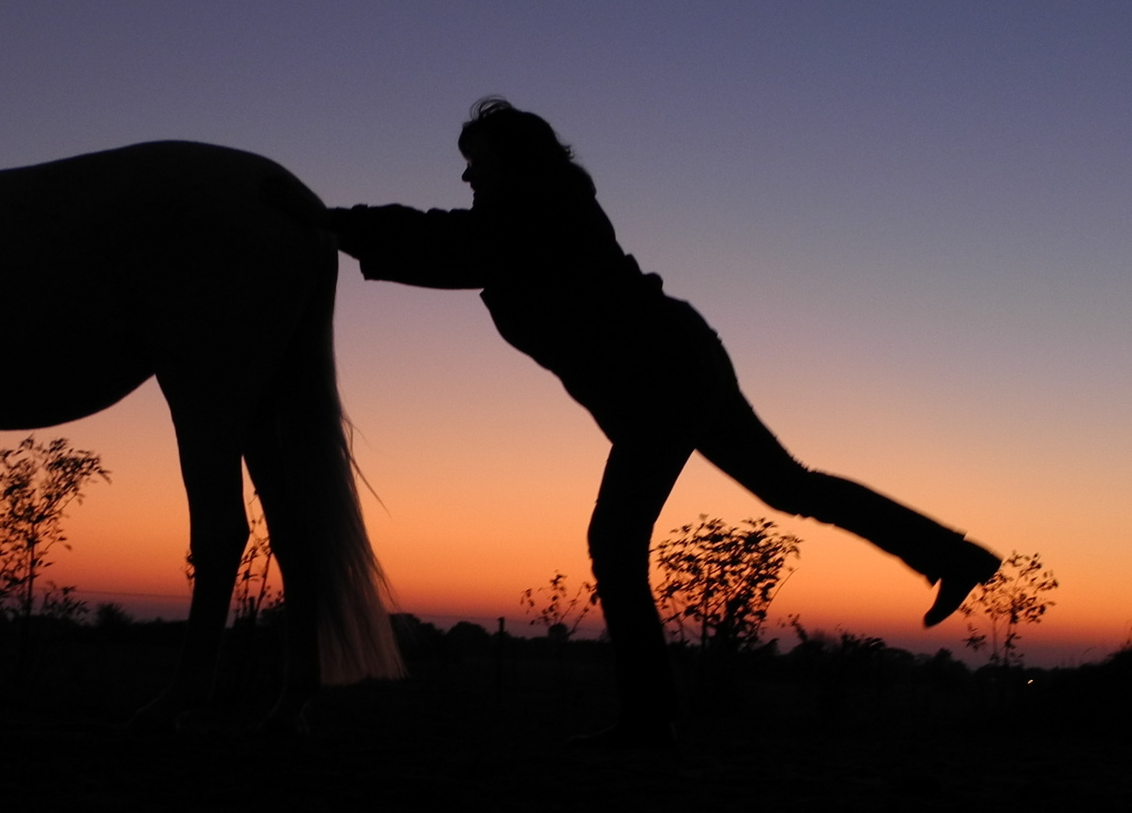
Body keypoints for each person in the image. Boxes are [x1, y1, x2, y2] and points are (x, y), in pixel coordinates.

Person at [330, 99, 999, 749]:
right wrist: (343, 229)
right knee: (787, 488)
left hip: (663, 379)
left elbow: (451, 243)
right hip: (677, 365)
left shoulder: (541, 212)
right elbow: (452, 251)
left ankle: (650, 723)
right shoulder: (533, 215)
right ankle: (952, 555)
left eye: (477, 163)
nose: (468, 177)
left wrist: (329, 222)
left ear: (516, 161)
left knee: (618, 544)